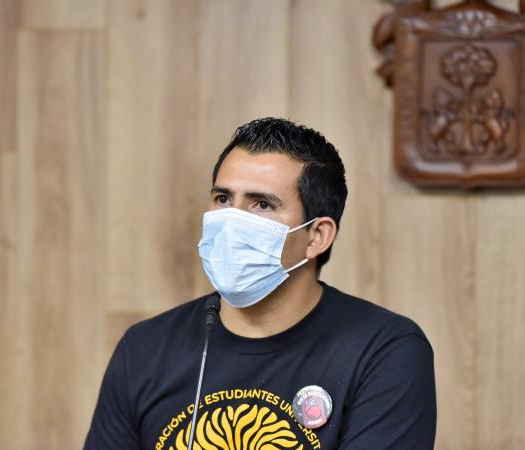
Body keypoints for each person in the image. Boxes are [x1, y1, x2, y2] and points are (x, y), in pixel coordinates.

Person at [84, 117, 436, 450]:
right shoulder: (144, 349)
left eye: (262, 204)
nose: (231, 220)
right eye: (223, 199)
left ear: (317, 236)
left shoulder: (384, 351)